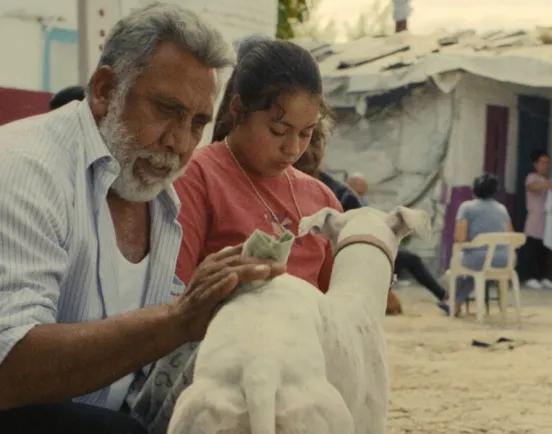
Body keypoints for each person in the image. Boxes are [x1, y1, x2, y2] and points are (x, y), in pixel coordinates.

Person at [0, 4, 284, 433]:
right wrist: (176, 320)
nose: (180, 142)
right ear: (104, 90)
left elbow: (149, 366)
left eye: (198, 122)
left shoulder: (160, 198)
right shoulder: (25, 167)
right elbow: (9, 367)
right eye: (166, 110)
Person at [174, 38, 342, 292]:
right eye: (278, 130)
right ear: (239, 109)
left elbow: (338, 303)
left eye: (306, 133)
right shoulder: (195, 178)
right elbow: (174, 303)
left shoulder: (322, 200)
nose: (293, 149)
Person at [344, 172, 449, 311]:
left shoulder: (360, 199)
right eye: (361, 186)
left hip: (374, 244)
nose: (365, 188)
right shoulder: (349, 200)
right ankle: (442, 295)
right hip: (365, 248)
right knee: (411, 260)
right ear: (352, 185)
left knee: (408, 259)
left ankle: (441, 295)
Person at [452, 173, 515, 315]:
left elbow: (460, 238)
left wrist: (470, 243)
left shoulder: (466, 207)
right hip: (505, 260)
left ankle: (454, 304)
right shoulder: (502, 208)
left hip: (479, 259)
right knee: (472, 266)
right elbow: (511, 234)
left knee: (461, 262)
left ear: (474, 189)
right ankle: (454, 302)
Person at [522, 150, 552, 289]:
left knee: (545, 251)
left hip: (547, 221)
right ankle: (530, 277)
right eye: (542, 162)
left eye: (547, 163)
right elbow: (532, 187)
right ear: (535, 164)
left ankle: (544, 277)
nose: (545, 165)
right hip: (535, 218)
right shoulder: (531, 177)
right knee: (532, 248)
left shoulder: (549, 180)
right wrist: (548, 186)